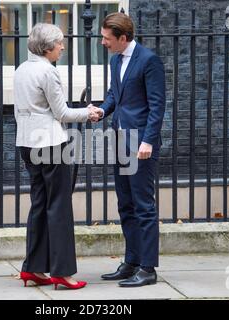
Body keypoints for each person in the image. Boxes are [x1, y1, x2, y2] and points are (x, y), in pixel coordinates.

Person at [13, 23, 102, 290]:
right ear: (48, 47)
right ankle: (62, 273)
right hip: (52, 145)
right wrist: (89, 112)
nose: (63, 48)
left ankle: (33, 268)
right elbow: (62, 114)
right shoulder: (48, 72)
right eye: (60, 44)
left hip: (27, 144)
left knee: (39, 203)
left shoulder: (21, 70)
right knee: (59, 207)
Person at [92, 12, 166, 287]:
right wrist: (102, 110)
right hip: (120, 141)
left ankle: (148, 268)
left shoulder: (149, 61)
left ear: (123, 38)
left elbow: (157, 105)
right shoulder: (115, 60)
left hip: (140, 145)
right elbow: (116, 95)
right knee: (126, 205)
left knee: (144, 206)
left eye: (107, 38)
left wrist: (148, 141)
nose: (103, 42)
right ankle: (132, 261)